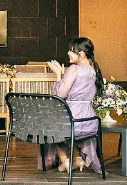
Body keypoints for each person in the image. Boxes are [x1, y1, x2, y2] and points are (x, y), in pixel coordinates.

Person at [42, 38, 104, 174]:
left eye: (71, 51)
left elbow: (60, 94)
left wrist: (58, 75)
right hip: (88, 120)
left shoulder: (74, 69)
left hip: (72, 118)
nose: (68, 53)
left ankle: (65, 160)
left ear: (80, 54)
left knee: (48, 124)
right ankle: (77, 159)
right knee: (63, 127)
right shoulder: (93, 70)